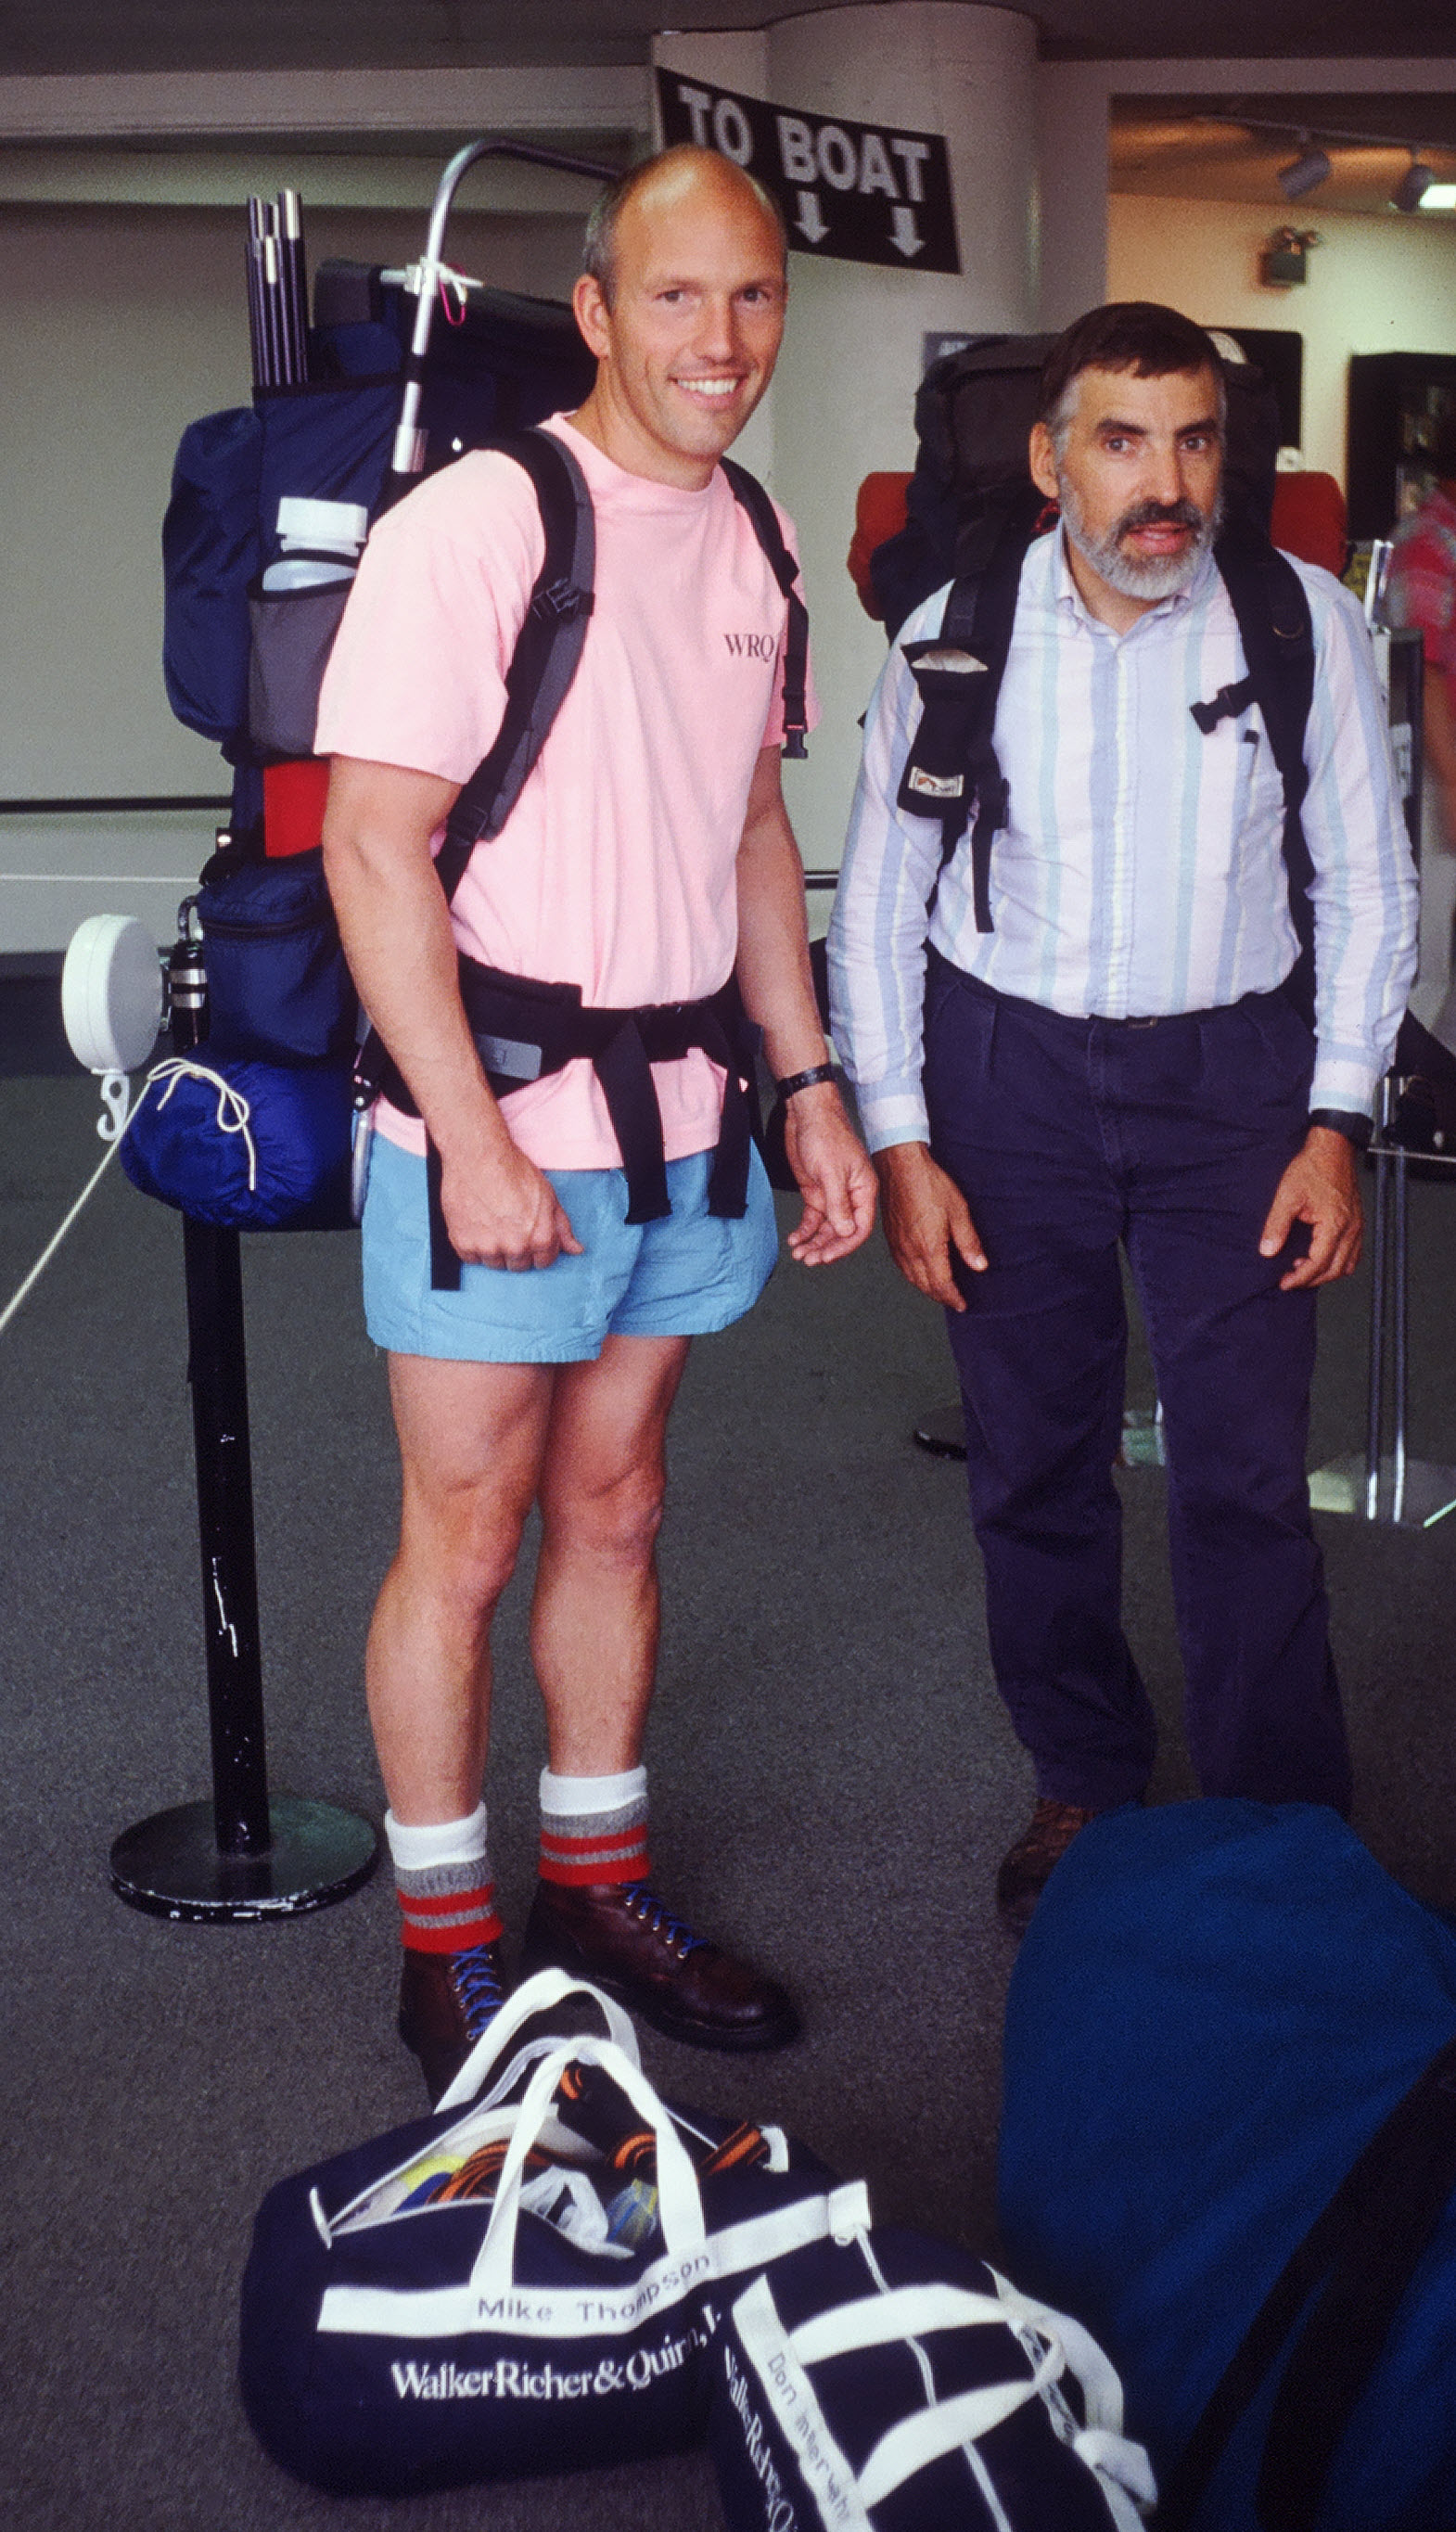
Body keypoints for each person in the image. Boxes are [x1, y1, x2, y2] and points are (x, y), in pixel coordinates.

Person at [318, 145, 875, 2100]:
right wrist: (468, 1132)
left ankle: (596, 1886)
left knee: (617, 1508)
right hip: (494, 1124)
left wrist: (809, 1085)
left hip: (688, 1119)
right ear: (597, 308)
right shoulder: (477, 523)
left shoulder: (758, 536)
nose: (717, 342)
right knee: (462, 1537)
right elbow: (372, 844)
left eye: (750, 298)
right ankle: (446, 1942)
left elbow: (741, 825)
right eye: (674, 297)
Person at [828, 301, 1416, 1932]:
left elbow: (1367, 890)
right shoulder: (956, 630)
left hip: (1234, 1083)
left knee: (1241, 1476)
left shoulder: (1296, 622)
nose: (1166, 483)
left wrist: (1333, 1118)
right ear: (1049, 456)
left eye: (1196, 439)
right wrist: (903, 1138)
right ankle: (1084, 1776)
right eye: (1122, 439)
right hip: (1004, 1074)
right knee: (1035, 1462)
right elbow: (879, 903)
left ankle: (1278, 1822)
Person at [1384, 417, 1456, 1056]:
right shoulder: (1428, 539)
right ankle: (1423, 1108)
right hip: (1441, 771)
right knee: (1432, 962)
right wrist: (1453, 784)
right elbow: (1422, 666)